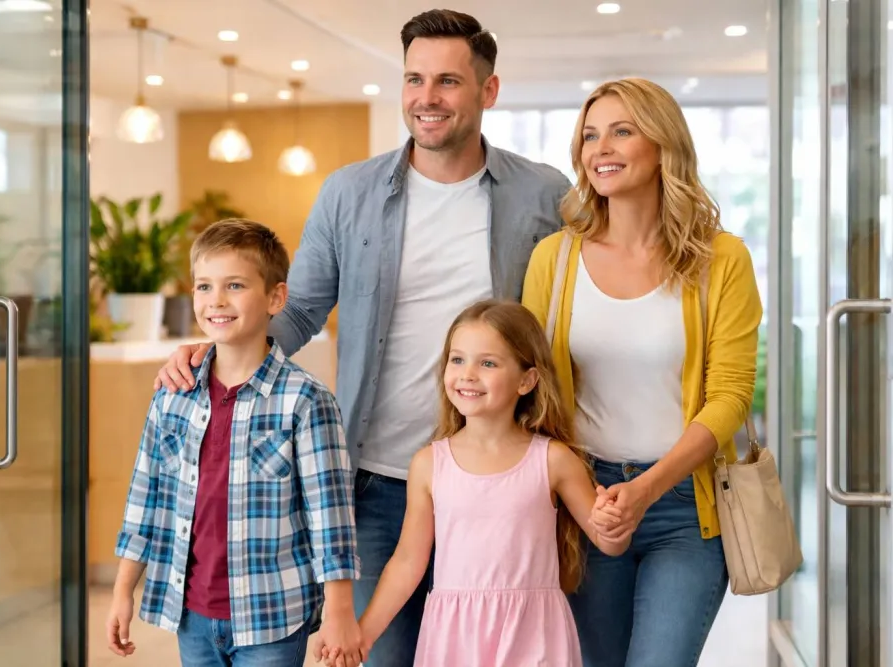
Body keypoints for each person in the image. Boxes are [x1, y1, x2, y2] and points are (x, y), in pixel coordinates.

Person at [153, 9, 572, 665]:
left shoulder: (544, 194)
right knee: (375, 654)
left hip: (496, 484)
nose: (426, 99)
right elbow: (295, 314)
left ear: (488, 92)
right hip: (376, 481)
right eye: (413, 79)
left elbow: (573, 318)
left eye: (447, 82)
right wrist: (214, 353)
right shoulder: (348, 193)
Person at [522, 78, 763, 667]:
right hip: (587, 503)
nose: (600, 148)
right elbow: (533, 385)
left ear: (663, 145)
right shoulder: (554, 259)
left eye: (622, 131)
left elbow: (730, 395)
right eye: (589, 135)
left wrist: (647, 489)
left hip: (685, 505)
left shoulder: (720, 258)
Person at [105, 219, 363, 667]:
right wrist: (123, 589)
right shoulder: (173, 395)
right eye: (203, 286)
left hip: (273, 616)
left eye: (235, 285)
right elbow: (145, 498)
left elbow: (330, 517)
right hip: (192, 613)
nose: (216, 301)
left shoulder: (305, 399)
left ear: (276, 298)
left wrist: (341, 610)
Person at [317, 300, 629, 667]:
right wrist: (364, 635)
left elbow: (607, 541)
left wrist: (614, 524)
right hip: (454, 637)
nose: (467, 374)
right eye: (457, 359)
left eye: (488, 363)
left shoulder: (554, 460)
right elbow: (407, 562)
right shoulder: (429, 464)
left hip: (533, 633)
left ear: (527, 380)